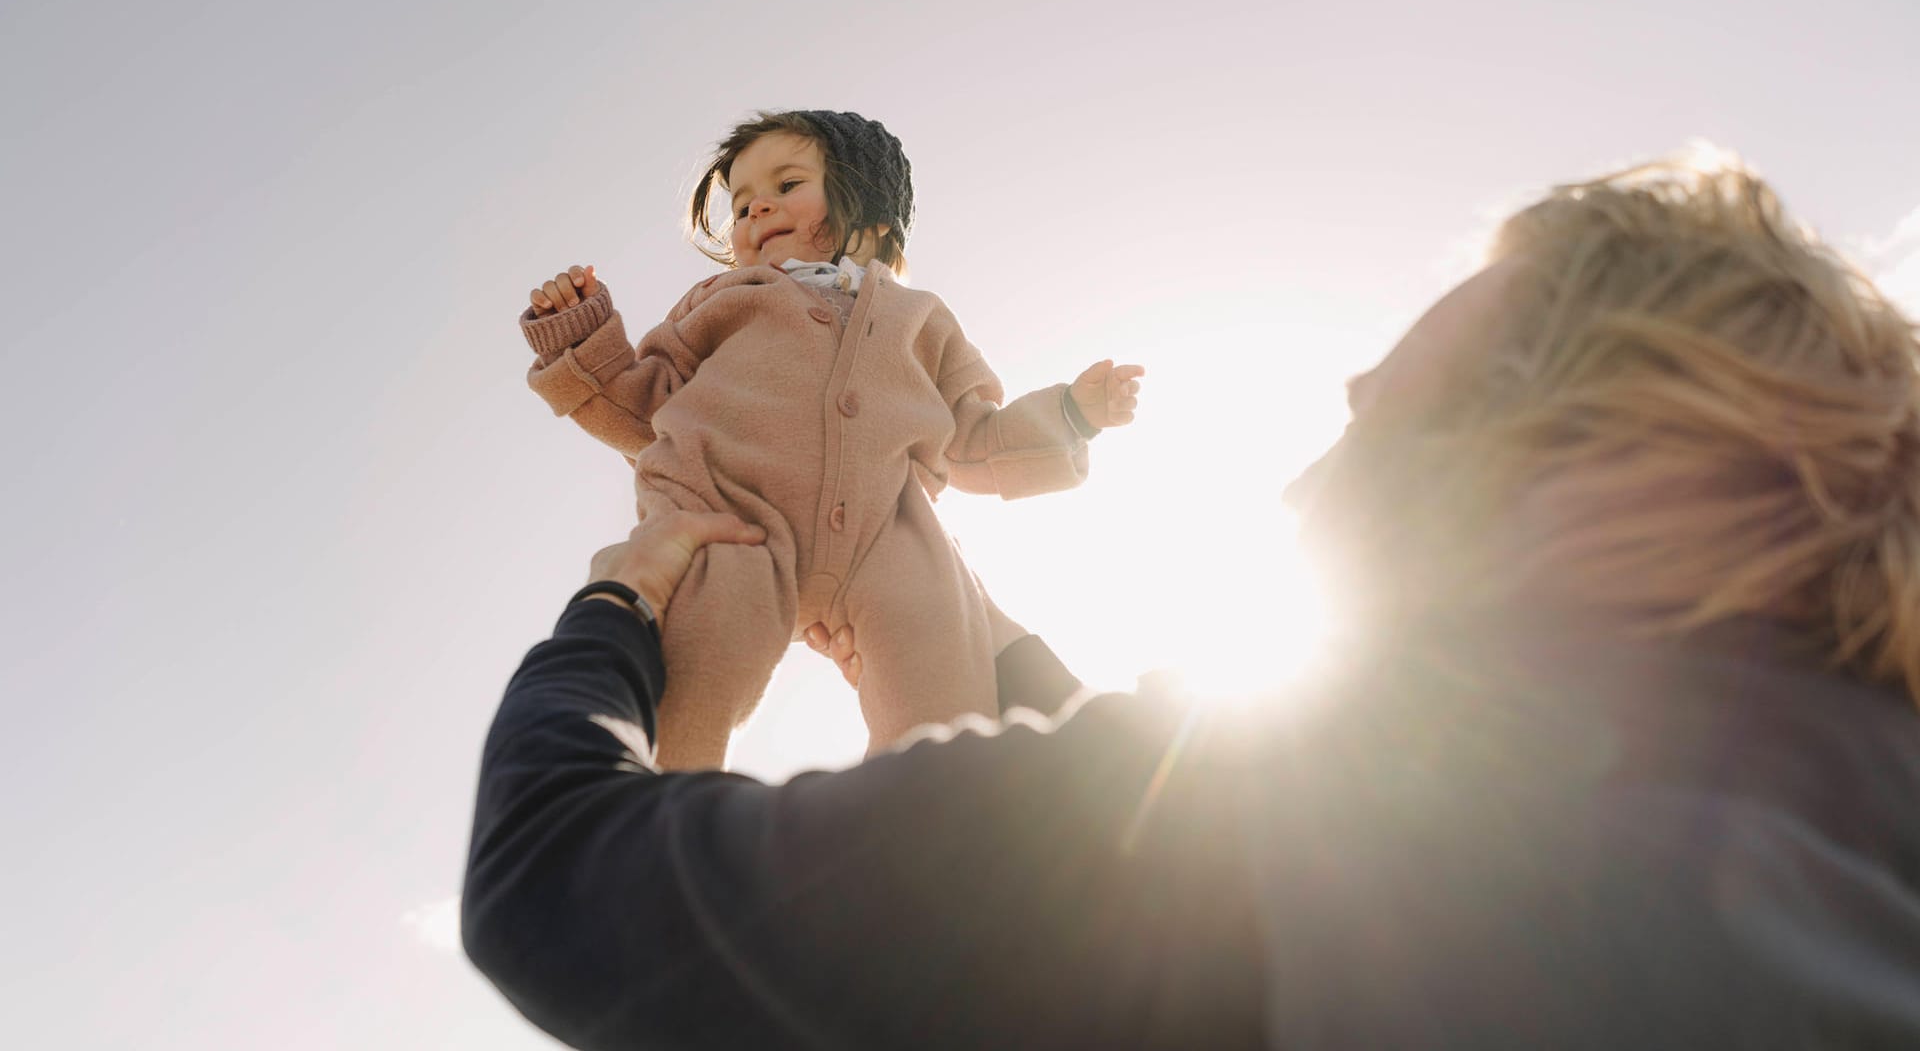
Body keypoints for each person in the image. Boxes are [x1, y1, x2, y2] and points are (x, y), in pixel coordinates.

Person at [465, 156, 1920, 1049]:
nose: (1301, 491)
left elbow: (555, 883)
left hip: (818, 602)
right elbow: (651, 402)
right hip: (796, 545)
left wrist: (609, 620)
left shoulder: (1312, 811)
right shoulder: (1867, 806)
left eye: (1374, 423)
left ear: (1595, 472)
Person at [513, 109, 1144, 769]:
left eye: (786, 186)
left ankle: (942, 823)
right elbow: (648, 411)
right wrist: (580, 334)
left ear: (870, 213)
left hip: (888, 532)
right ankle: (666, 816)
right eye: (744, 203)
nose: (757, 211)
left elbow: (975, 439)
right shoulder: (721, 302)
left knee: (946, 675)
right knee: (695, 664)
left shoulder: (920, 321)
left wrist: (1071, 414)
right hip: (731, 517)